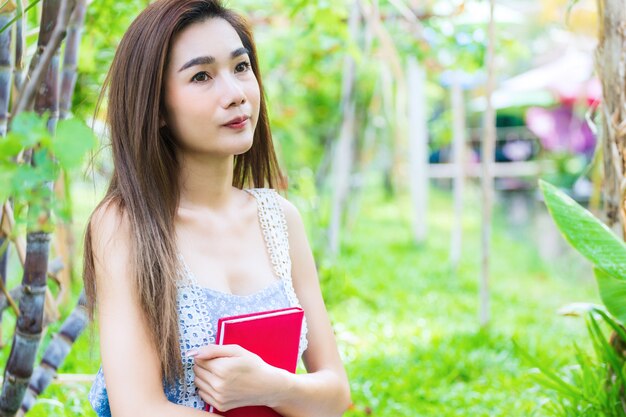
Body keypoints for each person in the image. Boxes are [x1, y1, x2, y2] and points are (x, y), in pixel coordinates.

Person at [82, 1, 351, 416]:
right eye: (202, 76)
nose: (235, 94)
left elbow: (334, 397)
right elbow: (138, 409)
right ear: (155, 109)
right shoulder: (125, 226)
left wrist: (271, 386)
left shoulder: (280, 220)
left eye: (241, 68)